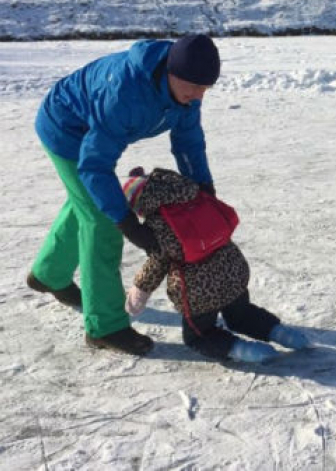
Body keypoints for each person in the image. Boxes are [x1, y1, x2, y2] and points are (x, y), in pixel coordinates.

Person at [27, 33, 222, 356]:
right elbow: (94, 166)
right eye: (194, 87)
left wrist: (203, 188)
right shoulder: (125, 94)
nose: (199, 96)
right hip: (64, 130)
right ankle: (105, 327)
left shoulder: (186, 92)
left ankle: (49, 274)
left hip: (91, 137)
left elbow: (188, 140)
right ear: (171, 73)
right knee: (101, 220)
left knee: (85, 203)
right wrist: (126, 221)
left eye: (205, 89)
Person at [122, 167, 309, 363]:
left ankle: (247, 351)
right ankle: (283, 334)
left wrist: (139, 291)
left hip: (198, 291)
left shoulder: (158, 225)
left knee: (198, 336)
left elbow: (157, 262)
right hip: (232, 271)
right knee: (242, 315)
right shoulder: (197, 197)